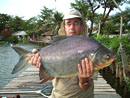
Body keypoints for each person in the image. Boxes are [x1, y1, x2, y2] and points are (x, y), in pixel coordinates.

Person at [29, 9, 98, 98]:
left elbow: (85, 87)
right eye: (68, 23)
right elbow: (51, 77)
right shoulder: (57, 45)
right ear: (64, 26)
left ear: (81, 26)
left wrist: (84, 80)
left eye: (76, 23)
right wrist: (41, 63)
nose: (72, 27)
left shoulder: (89, 47)